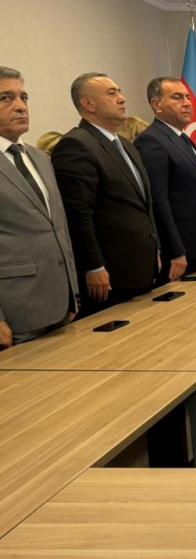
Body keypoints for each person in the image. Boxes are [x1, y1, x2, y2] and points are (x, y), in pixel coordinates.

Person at [52, 72, 158, 317]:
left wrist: (156, 250)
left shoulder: (126, 145)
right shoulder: (76, 145)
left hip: (142, 266)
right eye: (112, 93)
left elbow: (143, 204)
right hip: (110, 276)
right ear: (88, 104)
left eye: (119, 91)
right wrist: (94, 266)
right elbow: (78, 214)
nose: (122, 98)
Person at [0, 66, 78, 348]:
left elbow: (58, 226)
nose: (21, 106)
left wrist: (73, 291)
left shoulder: (40, 158)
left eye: (24, 97)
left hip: (61, 305)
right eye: (6, 98)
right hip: (16, 312)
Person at [135, 76, 196, 282]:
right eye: (177, 97)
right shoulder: (151, 140)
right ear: (156, 105)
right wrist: (175, 251)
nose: (187, 103)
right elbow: (159, 202)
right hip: (178, 254)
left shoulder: (183, 138)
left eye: (188, 97)